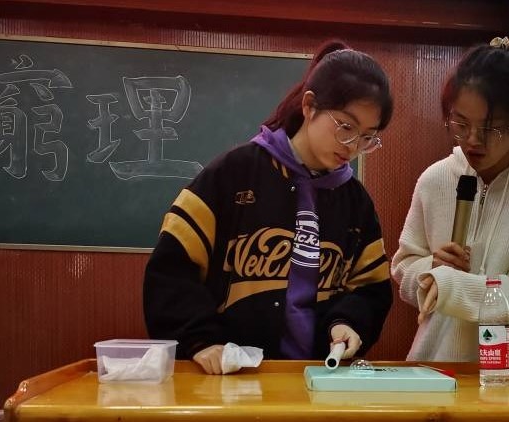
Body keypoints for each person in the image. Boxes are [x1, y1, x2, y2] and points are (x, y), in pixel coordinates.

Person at [144, 40, 394, 374]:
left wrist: (347, 322)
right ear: (310, 106)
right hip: (231, 379)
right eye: (346, 127)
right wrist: (200, 340)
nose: (353, 147)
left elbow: (371, 289)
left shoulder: (354, 201)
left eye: (367, 138)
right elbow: (171, 270)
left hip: (318, 378)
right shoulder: (233, 174)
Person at [391, 37, 509, 363]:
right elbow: (405, 267)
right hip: (437, 369)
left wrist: (451, 286)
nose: (472, 140)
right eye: (461, 124)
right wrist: (432, 268)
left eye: (491, 129)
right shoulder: (436, 179)